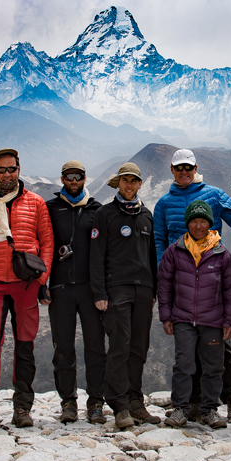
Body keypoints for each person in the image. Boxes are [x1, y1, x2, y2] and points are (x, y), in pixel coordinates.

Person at [0, 148, 53, 436]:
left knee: (25, 347)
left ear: (19, 169)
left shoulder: (36, 203)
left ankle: (22, 408)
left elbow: (47, 242)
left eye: (12, 169)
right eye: (2, 170)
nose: (7, 174)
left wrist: (42, 279)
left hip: (26, 284)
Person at [153, 149, 231, 422]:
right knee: (186, 350)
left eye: (188, 167)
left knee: (219, 349)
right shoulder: (164, 203)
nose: (184, 171)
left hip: (212, 278)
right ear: (172, 169)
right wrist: (164, 275)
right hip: (180, 280)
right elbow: (159, 240)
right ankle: (192, 403)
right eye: (179, 167)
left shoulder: (214, 194)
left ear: (195, 168)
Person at [90, 162, 159, 429]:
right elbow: (96, 256)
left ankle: (135, 402)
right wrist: (99, 292)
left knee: (139, 348)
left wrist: (152, 290)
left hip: (143, 291)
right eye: (125, 181)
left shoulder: (146, 216)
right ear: (118, 184)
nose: (129, 185)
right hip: (115, 289)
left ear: (140, 184)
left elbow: (151, 256)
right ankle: (119, 405)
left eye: (133, 181)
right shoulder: (105, 214)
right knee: (120, 346)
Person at [41, 160, 107, 424]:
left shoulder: (96, 210)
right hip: (59, 288)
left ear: (84, 178)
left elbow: (104, 252)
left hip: (91, 289)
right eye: (69, 176)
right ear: (62, 179)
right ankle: (68, 402)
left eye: (78, 176)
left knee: (95, 348)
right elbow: (42, 245)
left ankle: (96, 403)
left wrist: (103, 288)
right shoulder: (50, 208)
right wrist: (42, 283)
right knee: (63, 348)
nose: (73, 180)